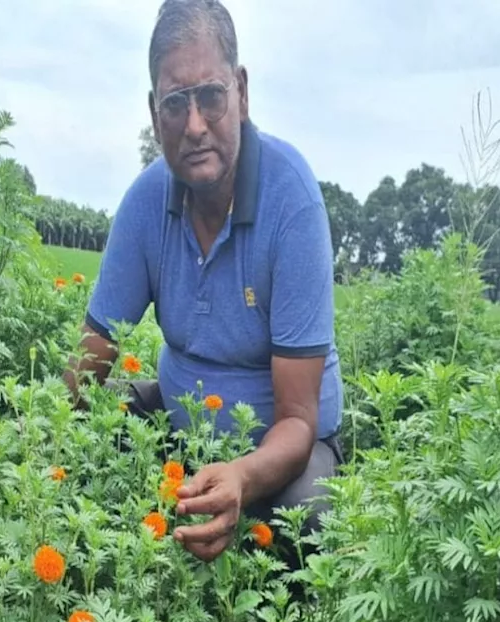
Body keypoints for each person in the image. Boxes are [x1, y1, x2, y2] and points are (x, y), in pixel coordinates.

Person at [63, 0, 343, 564]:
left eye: (211, 96)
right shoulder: (146, 203)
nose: (195, 125)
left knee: (308, 512)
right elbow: (88, 363)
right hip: (180, 422)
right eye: (175, 103)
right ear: (154, 113)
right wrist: (40, 442)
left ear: (241, 92)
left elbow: (296, 420)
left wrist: (239, 477)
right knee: (88, 436)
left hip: (281, 449)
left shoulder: (291, 201)